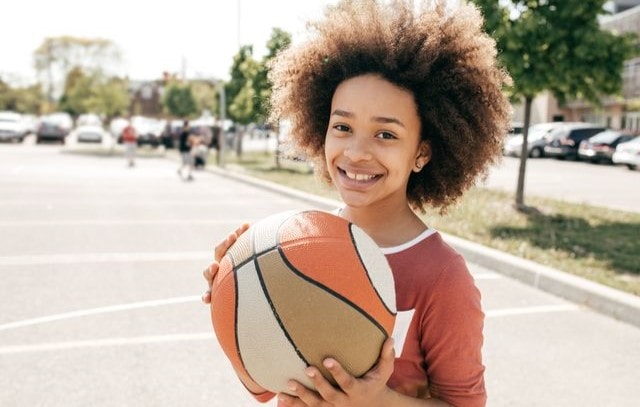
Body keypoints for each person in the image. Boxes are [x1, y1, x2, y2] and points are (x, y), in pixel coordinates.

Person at [202, 1, 510, 406]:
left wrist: (377, 400)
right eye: (342, 127)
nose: (356, 152)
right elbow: (263, 386)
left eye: (386, 134)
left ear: (423, 152)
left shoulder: (442, 277)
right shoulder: (297, 244)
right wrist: (233, 296)